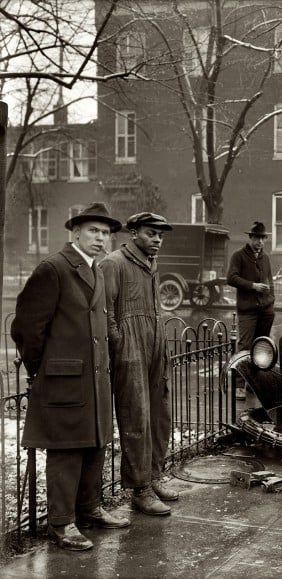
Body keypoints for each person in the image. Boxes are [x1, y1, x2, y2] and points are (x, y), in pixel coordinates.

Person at [11, 202, 129, 551]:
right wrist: (43, 370)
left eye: (106, 233)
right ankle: (61, 523)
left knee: (94, 443)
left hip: (93, 378)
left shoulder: (98, 270)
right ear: (75, 232)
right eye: (94, 230)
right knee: (66, 451)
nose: (101, 238)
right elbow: (26, 329)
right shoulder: (54, 268)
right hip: (63, 378)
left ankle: (89, 508)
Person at [99, 212, 177, 516]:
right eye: (150, 233)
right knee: (136, 418)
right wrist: (119, 344)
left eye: (160, 234)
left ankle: (154, 476)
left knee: (160, 415)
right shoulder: (114, 263)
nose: (157, 239)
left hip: (155, 344)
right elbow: (106, 313)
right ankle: (139, 489)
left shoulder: (150, 263)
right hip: (130, 349)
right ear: (133, 233)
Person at [227, 221, 276, 350]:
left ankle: (258, 370)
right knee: (245, 347)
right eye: (257, 237)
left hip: (265, 311)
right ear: (251, 238)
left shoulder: (265, 258)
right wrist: (253, 286)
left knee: (262, 345)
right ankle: (242, 370)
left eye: (263, 238)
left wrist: (271, 302)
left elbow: (270, 281)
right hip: (247, 311)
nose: (260, 241)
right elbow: (231, 278)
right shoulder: (239, 255)